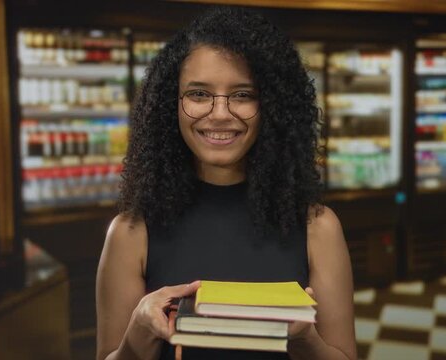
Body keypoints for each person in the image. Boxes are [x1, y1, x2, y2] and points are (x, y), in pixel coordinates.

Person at [96, 6, 356, 360]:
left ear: (273, 107)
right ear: (169, 104)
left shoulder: (318, 228)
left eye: (243, 95)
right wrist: (137, 333)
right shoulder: (130, 232)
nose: (219, 114)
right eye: (199, 94)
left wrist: (303, 339)